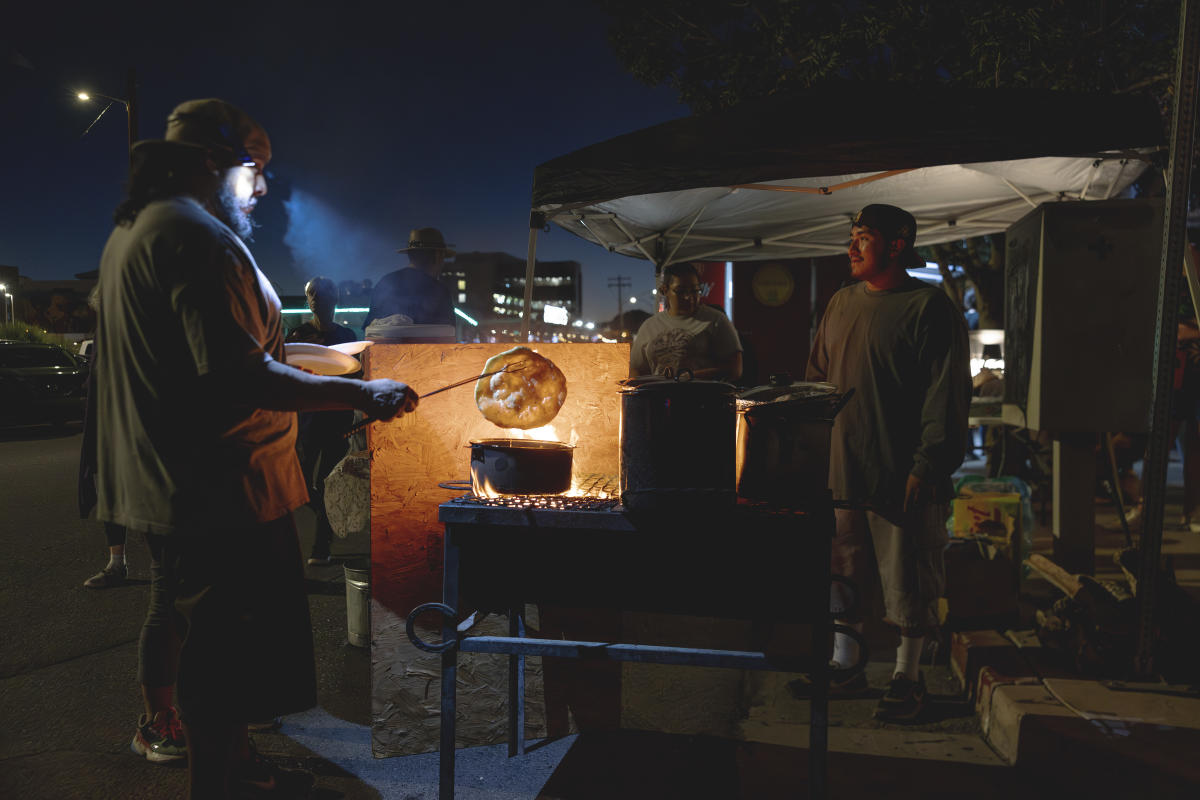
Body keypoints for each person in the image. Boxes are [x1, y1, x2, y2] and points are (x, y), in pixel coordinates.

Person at [94, 98, 418, 798]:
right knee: (220, 655)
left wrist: (313, 364)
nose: (263, 188)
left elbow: (215, 354)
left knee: (226, 648)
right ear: (213, 164)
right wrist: (363, 394)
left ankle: (237, 762)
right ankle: (217, 783)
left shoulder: (140, 229)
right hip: (219, 488)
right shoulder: (196, 239)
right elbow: (238, 374)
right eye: (255, 169)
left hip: (174, 479)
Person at [807, 204, 970, 723]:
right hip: (842, 471)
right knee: (843, 572)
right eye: (852, 237)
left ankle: (908, 677)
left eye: (863, 237)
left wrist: (927, 464)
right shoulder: (841, 302)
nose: (851, 247)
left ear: (897, 245)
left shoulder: (929, 307)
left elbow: (946, 395)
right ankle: (846, 665)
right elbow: (817, 380)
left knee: (908, 578)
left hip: (901, 473)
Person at [286, 276, 357, 565]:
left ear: (335, 298)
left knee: (327, 482)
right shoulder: (298, 335)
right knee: (299, 484)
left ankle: (320, 547)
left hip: (337, 419)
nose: (316, 298)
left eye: (322, 293)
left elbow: (356, 375)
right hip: (307, 420)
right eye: (312, 293)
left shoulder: (347, 336)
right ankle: (323, 515)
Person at [628, 262, 743, 381]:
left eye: (694, 290)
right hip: (658, 392)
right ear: (664, 290)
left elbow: (734, 369)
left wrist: (688, 377)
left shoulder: (716, 320)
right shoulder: (649, 326)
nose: (688, 297)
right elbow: (637, 369)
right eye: (680, 291)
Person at [362, 227, 455, 328]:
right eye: (443, 258)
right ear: (437, 256)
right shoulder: (439, 291)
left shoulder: (385, 282)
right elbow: (449, 332)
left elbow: (369, 328)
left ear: (410, 255)